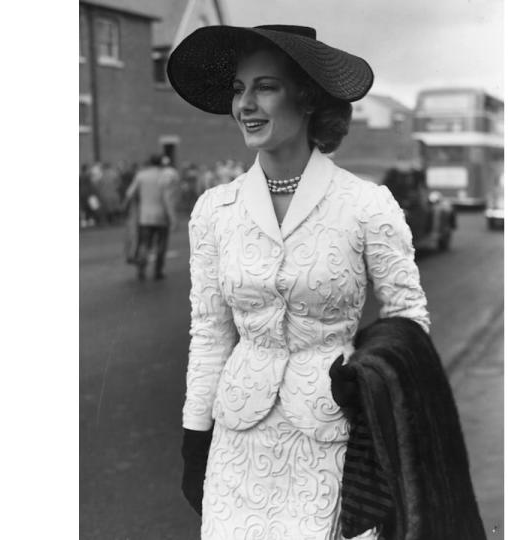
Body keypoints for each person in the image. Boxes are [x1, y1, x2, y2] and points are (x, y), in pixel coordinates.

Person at [167, 24, 430, 539]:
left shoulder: (366, 206)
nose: (246, 103)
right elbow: (210, 332)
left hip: (333, 440)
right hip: (237, 441)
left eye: (266, 87)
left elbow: (409, 320)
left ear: (307, 97)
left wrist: (371, 376)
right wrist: (194, 434)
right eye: (239, 89)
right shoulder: (214, 211)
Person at [122, 154, 179, 280]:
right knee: (161, 244)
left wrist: (125, 208)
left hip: (144, 216)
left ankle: (141, 268)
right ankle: (158, 271)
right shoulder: (164, 177)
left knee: (144, 243)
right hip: (161, 216)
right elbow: (167, 199)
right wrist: (173, 217)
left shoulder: (141, 175)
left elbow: (129, 193)